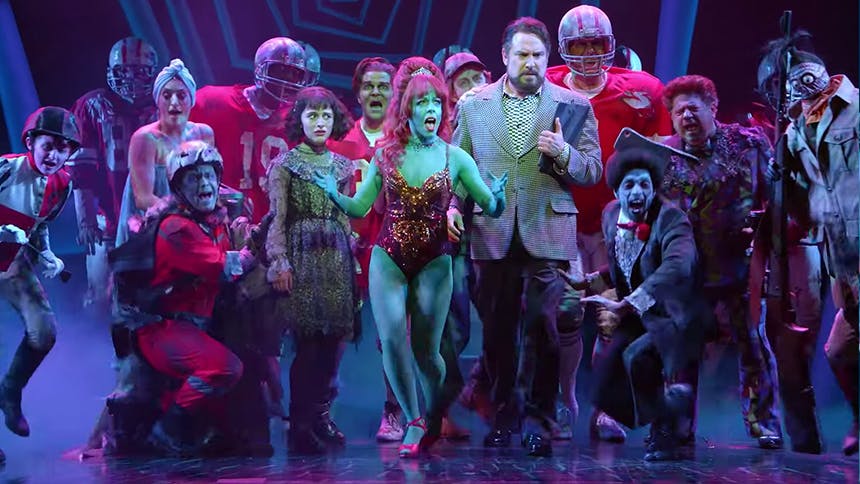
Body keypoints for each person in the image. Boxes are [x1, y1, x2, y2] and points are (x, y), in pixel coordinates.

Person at [314, 65, 507, 458]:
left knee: (426, 352)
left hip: (434, 261)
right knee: (390, 340)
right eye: (422, 102)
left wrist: (498, 197)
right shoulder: (385, 155)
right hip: (388, 256)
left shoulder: (456, 157)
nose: (431, 108)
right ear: (408, 110)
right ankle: (414, 419)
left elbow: (490, 206)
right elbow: (361, 207)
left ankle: (434, 413)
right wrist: (334, 195)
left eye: (437, 101)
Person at [448, 17, 601, 457]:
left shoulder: (573, 105)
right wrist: (455, 206)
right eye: (522, 54)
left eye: (538, 55)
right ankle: (503, 416)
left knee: (543, 327)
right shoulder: (474, 105)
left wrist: (565, 152)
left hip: (547, 228)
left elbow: (593, 169)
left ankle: (540, 421)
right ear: (505, 56)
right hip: (493, 229)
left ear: (547, 57)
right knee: (497, 333)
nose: (530, 62)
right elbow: (461, 167)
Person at [546, 4, 672, 442]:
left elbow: (662, 152)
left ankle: (606, 409)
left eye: (595, 44)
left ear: (610, 45)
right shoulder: (544, 85)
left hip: (614, 222)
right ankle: (565, 401)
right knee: (564, 315)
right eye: (578, 46)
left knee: (611, 314)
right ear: (564, 48)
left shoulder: (643, 89)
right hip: (561, 215)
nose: (587, 55)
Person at [661, 74, 783, 449]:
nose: (686, 117)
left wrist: (766, 240)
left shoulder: (748, 144)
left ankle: (763, 422)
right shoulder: (664, 154)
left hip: (739, 264)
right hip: (690, 270)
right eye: (679, 112)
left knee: (753, 345)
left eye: (693, 109)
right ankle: (679, 426)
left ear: (712, 108)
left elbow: (774, 197)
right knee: (683, 350)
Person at [563, 148, 707, 461]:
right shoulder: (611, 216)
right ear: (617, 192)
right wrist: (588, 280)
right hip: (637, 315)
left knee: (638, 357)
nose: (637, 192)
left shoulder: (672, 219)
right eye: (629, 185)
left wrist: (630, 302)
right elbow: (623, 266)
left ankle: (666, 431)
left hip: (673, 315)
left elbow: (678, 266)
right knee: (603, 384)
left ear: (654, 190)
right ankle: (670, 405)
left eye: (644, 185)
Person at [129, 141, 249, 455]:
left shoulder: (210, 222)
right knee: (226, 367)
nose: (204, 184)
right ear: (179, 187)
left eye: (209, 175)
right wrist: (260, 246)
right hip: (163, 330)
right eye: (194, 178)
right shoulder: (177, 228)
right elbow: (227, 268)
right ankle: (168, 428)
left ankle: (191, 426)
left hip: (192, 327)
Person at [768, 45, 858, 455]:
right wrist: (783, 178)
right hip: (841, 259)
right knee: (838, 352)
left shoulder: (855, 109)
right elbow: (805, 204)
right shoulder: (795, 131)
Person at [266, 87, 358, 454]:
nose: (320, 122)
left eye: (326, 115)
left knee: (330, 346)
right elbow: (277, 218)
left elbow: (344, 215)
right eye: (312, 115)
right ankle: (300, 427)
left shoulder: (342, 166)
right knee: (308, 347)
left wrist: (351, 251)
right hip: (302, 256)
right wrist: (279, 261)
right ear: (299, 119)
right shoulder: (285, 165)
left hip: (335, 258)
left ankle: (319, 417)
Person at [326, 57, 403, 441]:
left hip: (393, 248)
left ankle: (395, 411)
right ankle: (321, 408)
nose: (376, 92)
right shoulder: (338, 144)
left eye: (383, 86)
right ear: (357, 93)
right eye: (369, 86)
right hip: (349, 249)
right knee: (336, 330)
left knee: (393, 332)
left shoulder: (405, 143)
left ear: (394, 93)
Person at [0, 107, 80, 464]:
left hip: (10, 262)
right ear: (31, 141)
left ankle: (10, 390)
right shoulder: (5, 169)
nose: (54, 156)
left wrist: (46, 253)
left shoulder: (62, 184)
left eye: (63, 149)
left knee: (44, 331)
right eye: (49, 146)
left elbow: (39, 223)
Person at [69, 37, 158, 307]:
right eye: (123, 71)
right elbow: (81, 172)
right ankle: (89, 333)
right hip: (107, 216)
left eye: (138, 71)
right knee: (100, 296)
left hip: (154, 219)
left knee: (152, 298)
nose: (130, 79)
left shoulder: (165, 103)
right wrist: (86, 221)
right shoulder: (93, 106)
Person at [190, 37, 316, 223]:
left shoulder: (300, 119)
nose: (288, 80)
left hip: (272, 226)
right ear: (260, 69)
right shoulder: (212, 102)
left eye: (294, 74)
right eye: (280, 70)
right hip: (218, 221)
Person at [116, 58, 214, 246]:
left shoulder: (203, 133)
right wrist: (187, 217)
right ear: (158, 100)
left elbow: (210, 180)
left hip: (192, 224)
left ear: (191, 100)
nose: (174, 103)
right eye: (167, 96)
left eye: (181, 96)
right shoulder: (145, 138)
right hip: (152, 227)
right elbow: (143, 198)